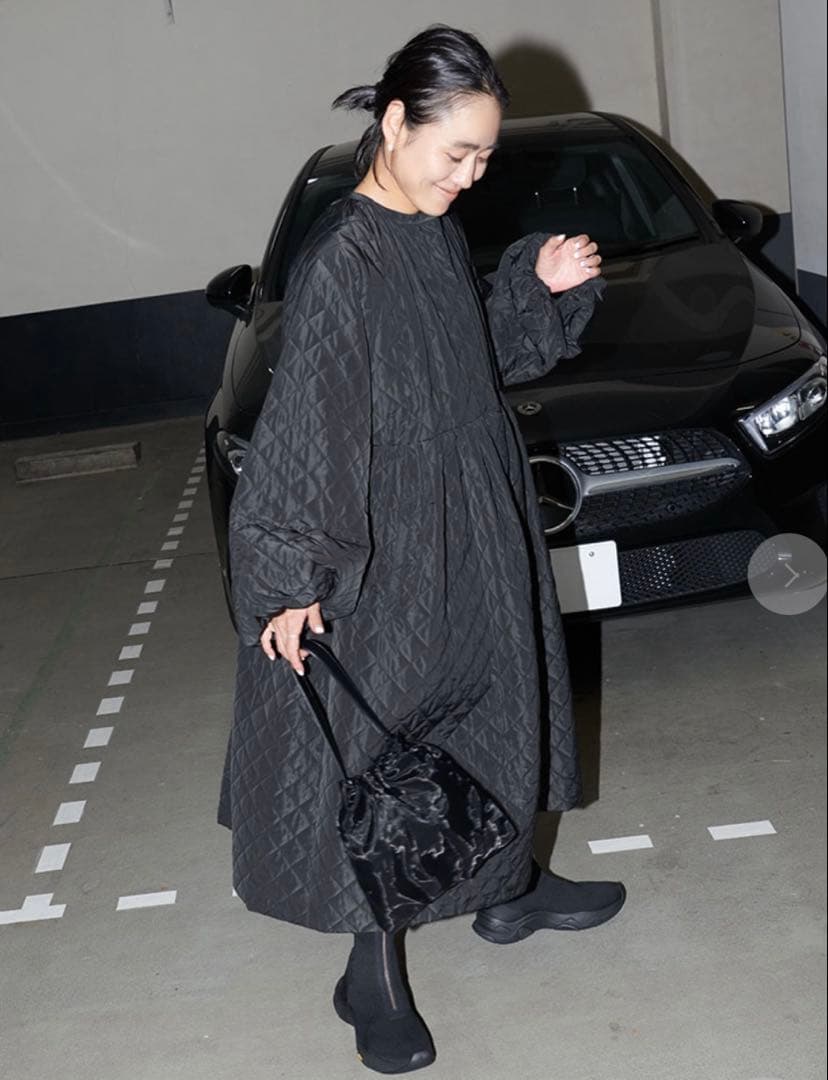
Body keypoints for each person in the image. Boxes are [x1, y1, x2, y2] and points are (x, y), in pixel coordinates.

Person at [218, 23, 626, 1074]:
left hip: (477, 523)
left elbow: (470, 358)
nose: (471, 174)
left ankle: (508, 890)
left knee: (499, 714)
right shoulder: (344, 262)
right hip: (389, 548)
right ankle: (371, 974)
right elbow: (311, 428)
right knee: (384, 750)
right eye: (458, 152)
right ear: (396, 123)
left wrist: (535, 285)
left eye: (485, 156)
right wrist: (292, 580)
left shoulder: (431, 230)